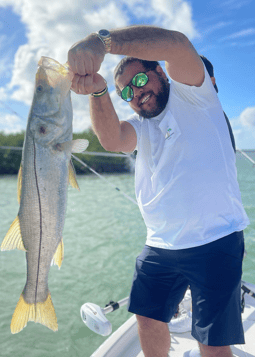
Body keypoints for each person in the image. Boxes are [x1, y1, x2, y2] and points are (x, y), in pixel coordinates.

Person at [68, 26, 250, 357]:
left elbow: (179, 45)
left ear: (160, 71)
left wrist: (104, 43)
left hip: (215, 241)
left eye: (140, 81)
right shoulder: (141, 126)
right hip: (160, 245)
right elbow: (112, 140)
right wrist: (99, 92)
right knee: (148, 321)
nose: (137, 94)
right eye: (127, 93)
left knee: (211, 341)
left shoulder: (195, 96)